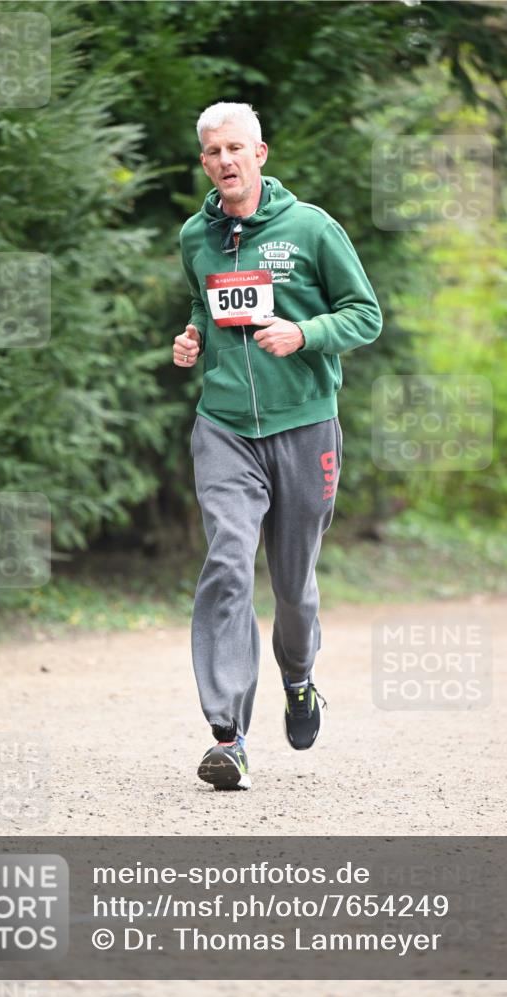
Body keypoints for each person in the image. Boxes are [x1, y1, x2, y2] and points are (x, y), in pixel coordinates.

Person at [174, 102, 382, 790]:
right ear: (203, 161)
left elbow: (364, 314)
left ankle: (298, 678)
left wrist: (305, 334)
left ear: (260, 154)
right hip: (225, 426)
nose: (224, 161)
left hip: (304, 424)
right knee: (228, 564)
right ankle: (227, 736)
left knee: (292, 588)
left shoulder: (310, 227)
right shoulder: (193, 237)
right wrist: (192, 339)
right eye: (212, 152)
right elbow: (205, 309)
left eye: (235, 148)